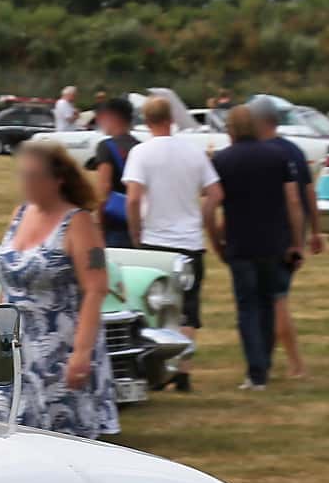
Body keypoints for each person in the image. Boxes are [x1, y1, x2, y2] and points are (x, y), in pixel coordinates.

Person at [0, 139, 118, 439]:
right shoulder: (20, 214)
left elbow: (96, 289)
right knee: (1, 434)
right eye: (22, 175)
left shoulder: (78, 223)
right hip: (16, 352)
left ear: (57, 179)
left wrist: (81, 354)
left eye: (33, 176)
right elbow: (7, 280)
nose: (26, 183)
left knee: (59, 441)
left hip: (59, 353)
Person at [122, 94, 220, 391]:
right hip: (189, 240)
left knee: (156, 307)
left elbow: (134, 198)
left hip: (155, 240)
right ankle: (183, 372)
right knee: (189, 310)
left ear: (146, 121)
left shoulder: (141, 153)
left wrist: (135, 231)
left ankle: (158, 370)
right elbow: (215, 193)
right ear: (172, 119)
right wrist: (201, 218)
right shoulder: (193, 152)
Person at [209, 105, 302, 392]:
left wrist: (216, 242)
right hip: (274, 242)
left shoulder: (222, 160)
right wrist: (296, 241)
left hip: (240, 242)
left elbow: (210, 205)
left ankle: (256, 371)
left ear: (231, 129)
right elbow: (293, 202)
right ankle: (266, 363)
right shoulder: (279, 156)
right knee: (267, 303)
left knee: (247, 307)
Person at [248, 95, 322, 378]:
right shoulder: (293, 151)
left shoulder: (258, 153)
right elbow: (308, 194)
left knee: (275, 301)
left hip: (272, 239)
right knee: (273, 299)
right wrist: (313, 232)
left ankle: (295, 364)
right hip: (293, 235)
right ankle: (265, 360)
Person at [87, 97, 138, 247]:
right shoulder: (140, 147)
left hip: (115, 222)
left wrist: (99, 223)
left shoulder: (106, 146)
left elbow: (104, 187)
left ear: (111, 117)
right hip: (138, 219)